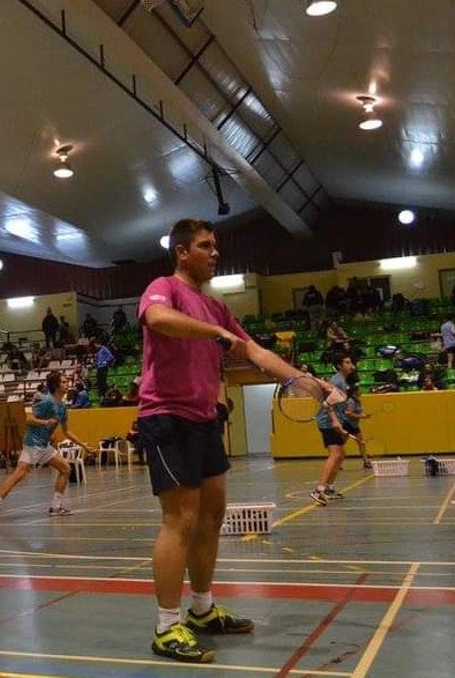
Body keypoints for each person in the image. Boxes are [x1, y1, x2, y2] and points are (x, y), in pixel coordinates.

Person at [138, 219, 321, 665]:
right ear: (182, 252)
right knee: (179, 518)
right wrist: (215, 334)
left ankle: (201, 610)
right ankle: (166, 625)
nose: (214, 252)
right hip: (166, 416)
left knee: (211, 516)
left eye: (215, 245)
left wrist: (305, 381)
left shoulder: (216, 307)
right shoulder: (163, 288)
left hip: (203, 419)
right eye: (205, 245)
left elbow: (254, 352)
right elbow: (158, 319)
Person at [0, 370, 88, 523]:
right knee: (18, 475)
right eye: (64, 382)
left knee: (65, 469)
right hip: (33, 444)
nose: (67, 384)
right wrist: (45, 422)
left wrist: (83, 445)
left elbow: (67, 431)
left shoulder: (62, 407)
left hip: (44, 445)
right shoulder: (46, 401)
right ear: (56, 385)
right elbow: (28, 418)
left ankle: (56, 507)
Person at [311, 355, 356, 505]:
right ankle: (319, 490)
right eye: (347, 362)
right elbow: (328, 405)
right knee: (336, 454)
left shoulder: (342, 381)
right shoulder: (337, 381)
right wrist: (336, 422)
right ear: (339, 365)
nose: (351, 365)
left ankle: (329, 488)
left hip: (335, 421)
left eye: (351, 362)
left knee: (341, 454)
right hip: (328, 422)